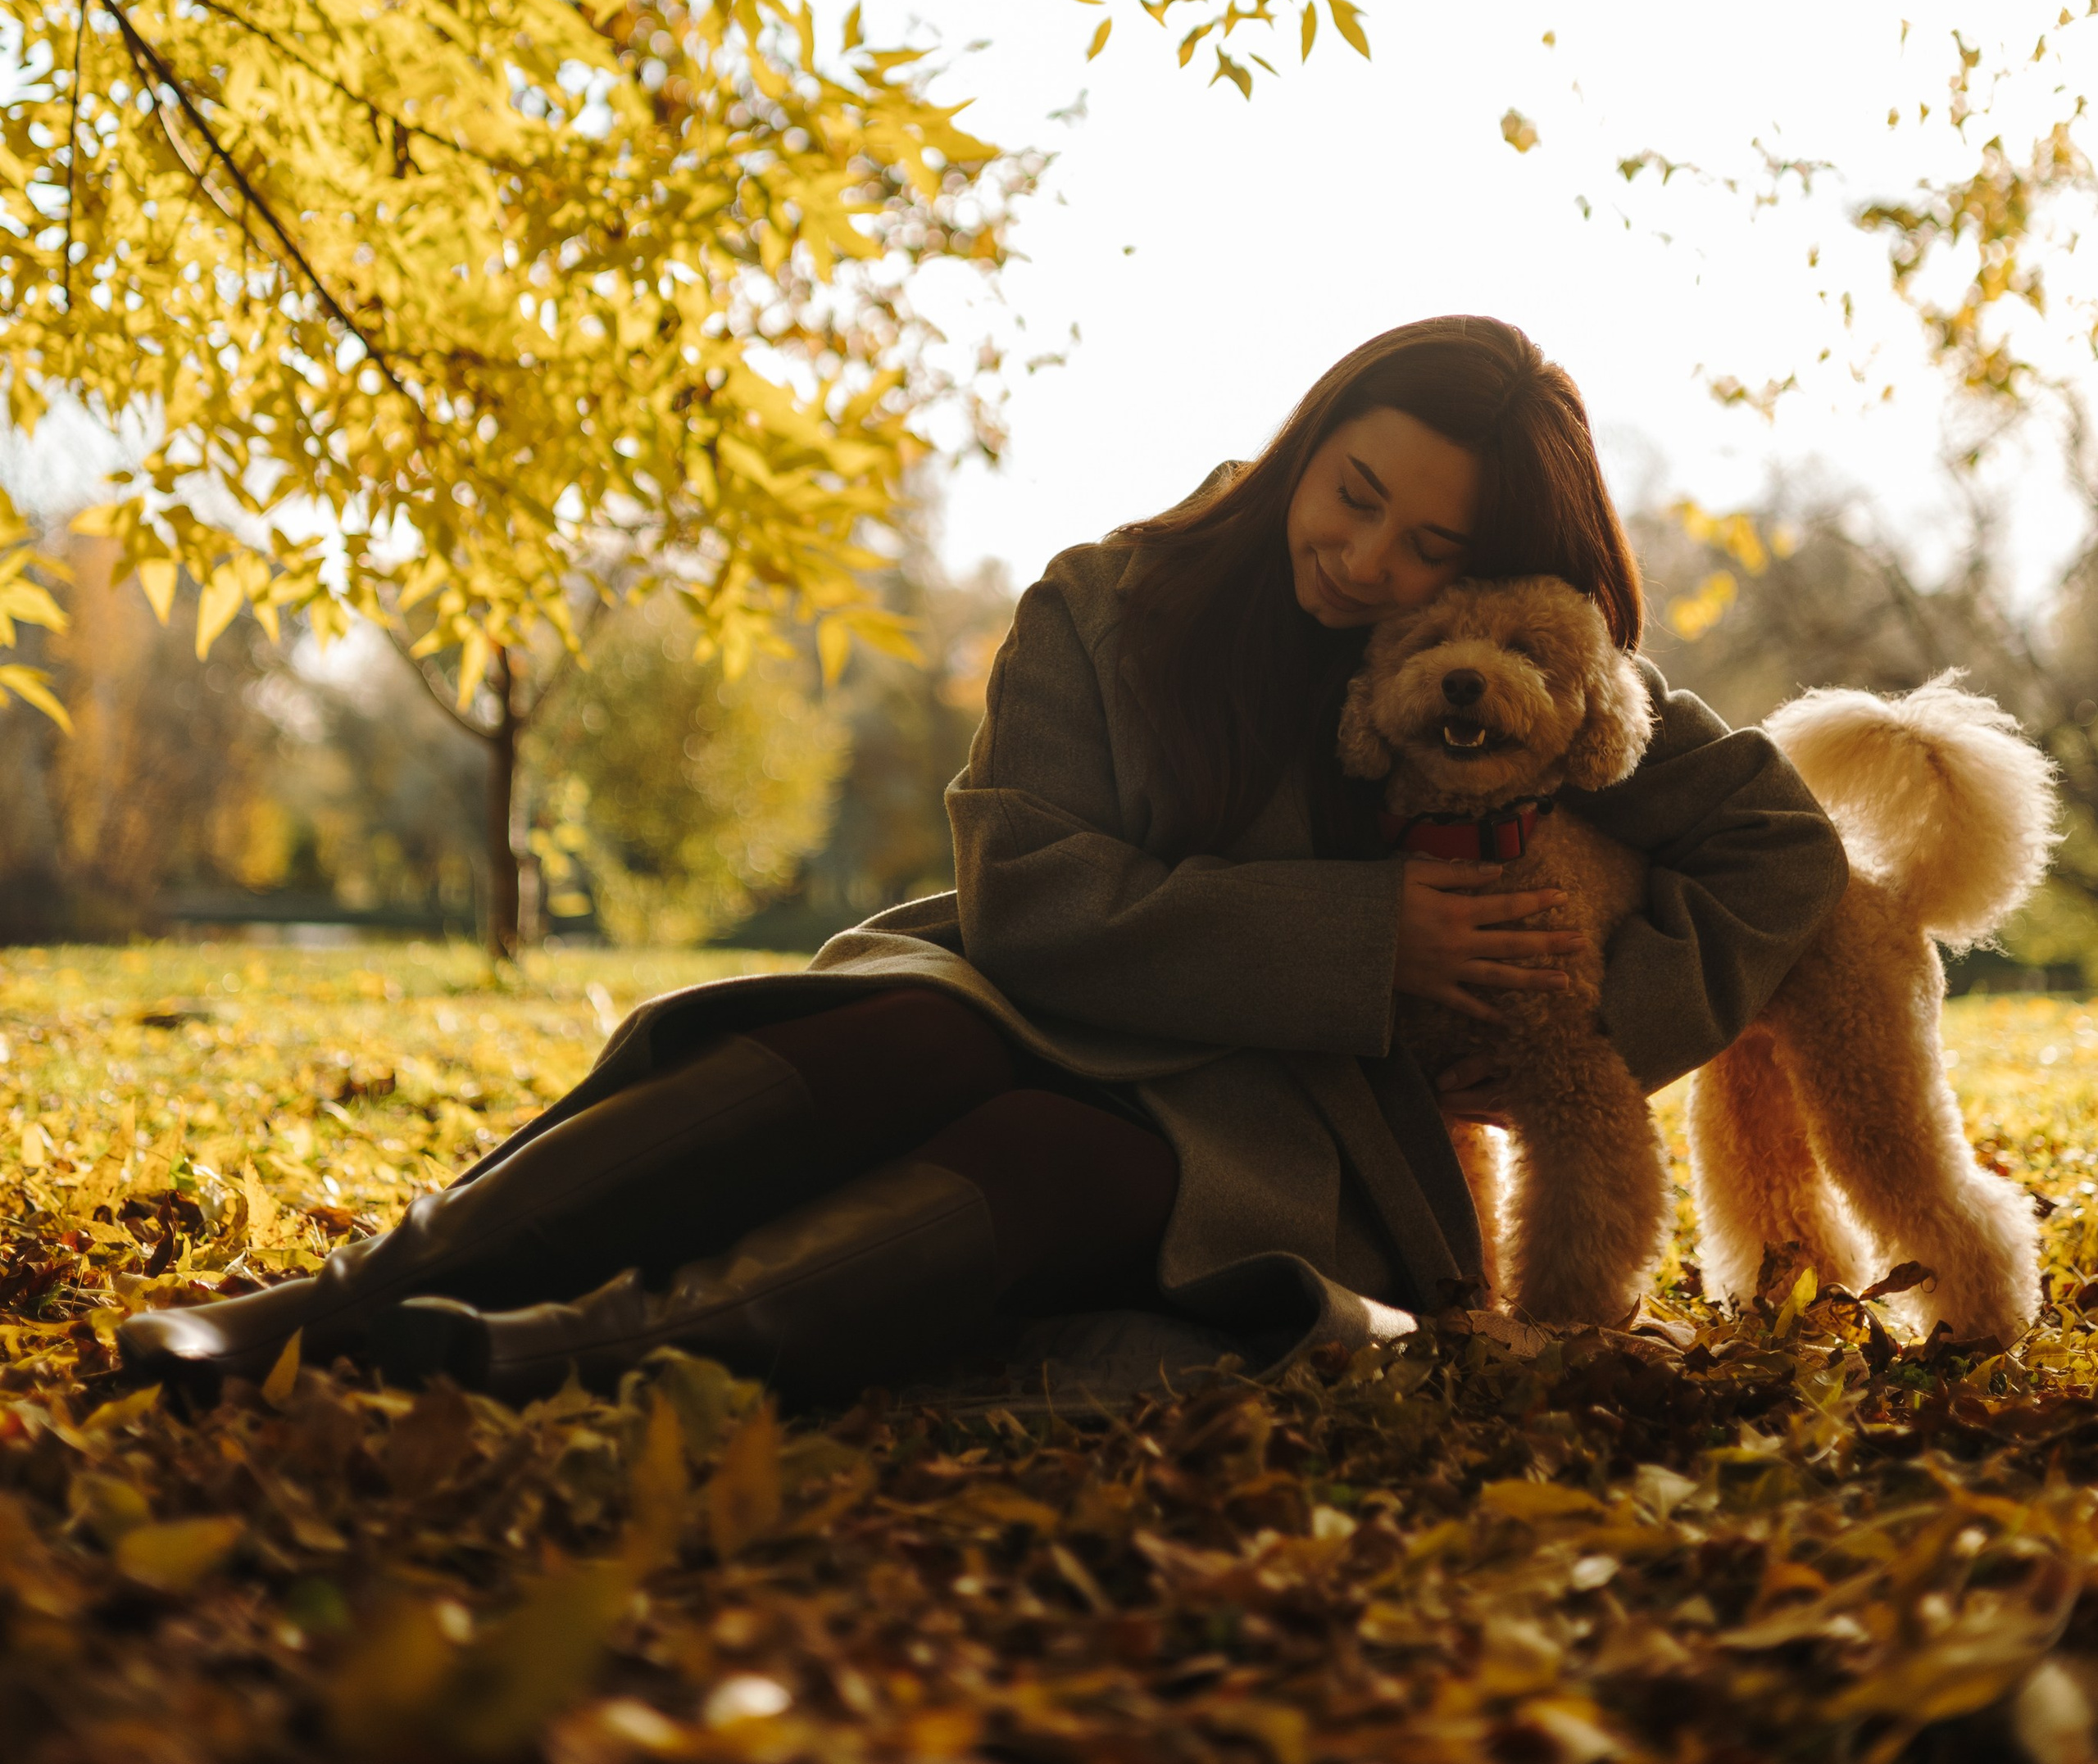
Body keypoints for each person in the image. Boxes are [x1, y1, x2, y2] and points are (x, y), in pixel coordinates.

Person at [121, 314, 1846, 1408]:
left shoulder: (1477, 654)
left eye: (1429, 543)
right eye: (1355, 490)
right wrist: (1359, 932)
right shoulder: (1107, 599)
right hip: (1031, 987)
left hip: (1281, 1119)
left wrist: (1576, 1004)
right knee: (901, 1039)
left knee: (1057, 1160)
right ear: (1314, 437)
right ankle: (346, 1304)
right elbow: (1031, 901)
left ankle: (570, 1360)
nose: (1368, 556)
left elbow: (1776, 844)